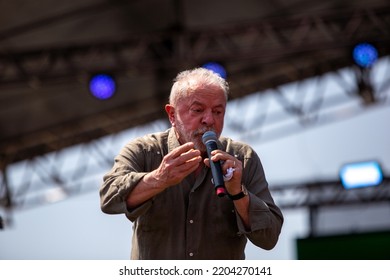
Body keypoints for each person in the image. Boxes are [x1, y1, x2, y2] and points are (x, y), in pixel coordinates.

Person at [99, 68, 283, 260]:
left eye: (218, 111)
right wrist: (159, 179)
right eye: (198, 110)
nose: (209, 120)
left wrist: (238, 193)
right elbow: (108, 198)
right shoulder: (143, 150)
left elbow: (269, 238)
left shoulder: (243, 158)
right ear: (172, 115)